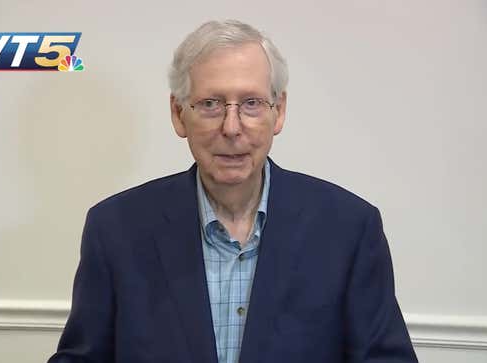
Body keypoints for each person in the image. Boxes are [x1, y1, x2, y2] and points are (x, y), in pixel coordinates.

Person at [47, 19, 418, 363]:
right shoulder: (115, 229)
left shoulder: (349, 229)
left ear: (280, 111)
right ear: (178, 114)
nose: (232, 126)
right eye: (210, 104)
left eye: (251, 103)